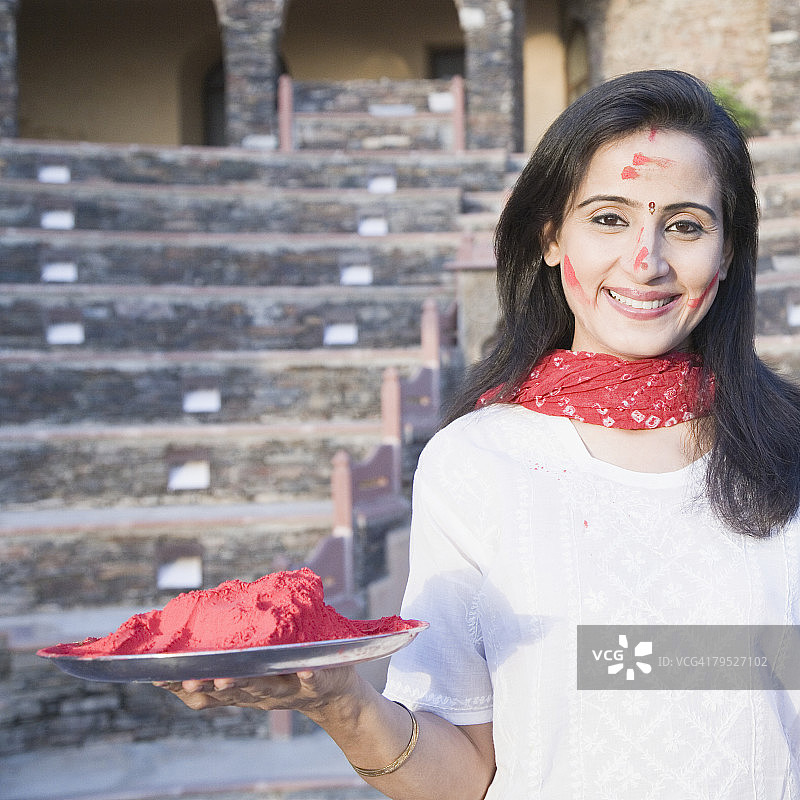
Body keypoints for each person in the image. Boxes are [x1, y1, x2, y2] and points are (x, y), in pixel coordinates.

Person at [158, 70, 800, 798]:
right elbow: (465, 773)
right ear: (552, 237)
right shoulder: (477, 463)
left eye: (685, 224)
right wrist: (340, 701)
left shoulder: (789, 450)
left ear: (726, 253)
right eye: (610, 218)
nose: (646, 260)